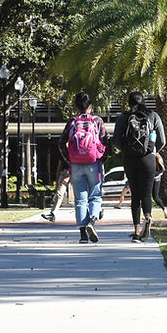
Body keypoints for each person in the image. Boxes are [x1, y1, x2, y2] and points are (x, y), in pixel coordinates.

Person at [112, 91, 165, 242]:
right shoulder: (153, 116)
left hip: (130, 159)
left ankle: (136, 232)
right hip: (148, 158)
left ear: (129, 103)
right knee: (146, 194)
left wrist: (126, 149)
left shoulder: (124, 117)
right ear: (143, 102)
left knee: (135, 195)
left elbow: (115, 141)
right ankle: (147, 218)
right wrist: (152, 151)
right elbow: (163, 140)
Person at [59, 91, 109, 244]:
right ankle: (92, 222)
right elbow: (105, 140)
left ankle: (82, 235)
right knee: (95, 195)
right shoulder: (97, 121)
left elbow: (61, 143)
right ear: (90, 106)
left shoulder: (72, 122)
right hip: (94, 163)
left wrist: (69, 160)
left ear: (76, 106)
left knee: (80, 199)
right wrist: (103, 158)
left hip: (76, 164)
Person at [152, 153, 167, 219]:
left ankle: (164, 209)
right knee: (147, 197)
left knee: (155, 197)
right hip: (149, 179)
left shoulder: (158, 158)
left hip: (156, 180)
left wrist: (153, 175)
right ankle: (148, 215)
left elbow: (162, 170)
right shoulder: (149, 157)